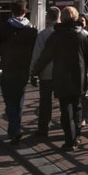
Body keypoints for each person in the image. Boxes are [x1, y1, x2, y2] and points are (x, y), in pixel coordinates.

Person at [32, 6, 88, 151]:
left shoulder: (56, 36)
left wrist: (35, 71)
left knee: (65, 109)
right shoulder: (83, 35)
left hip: (61, 76)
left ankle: (70, 140)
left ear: (62, 18)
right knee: (78, 106)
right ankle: (76, 136)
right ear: (75, 18)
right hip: (78, 76)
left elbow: (45, 57)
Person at [0, 0, 38, 145]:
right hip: (23, 70)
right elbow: (34, 53)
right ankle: (15, 128)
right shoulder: (32, 30)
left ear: (12, 11)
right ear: (25, 11)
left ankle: (14, 129)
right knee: (19, 99)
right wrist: (34, 70)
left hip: (8, 68)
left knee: (9, 100)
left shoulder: (2, 28)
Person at [30, 7, 61, 137]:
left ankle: (43, 128)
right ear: (59, 17)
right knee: (64, 102)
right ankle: (68, 128)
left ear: (48, 18)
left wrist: (33, 72)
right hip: (62, 72)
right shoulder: (66, 33)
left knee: (45, 102)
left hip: (46, 73)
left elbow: (37, 55)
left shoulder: (43, 34)